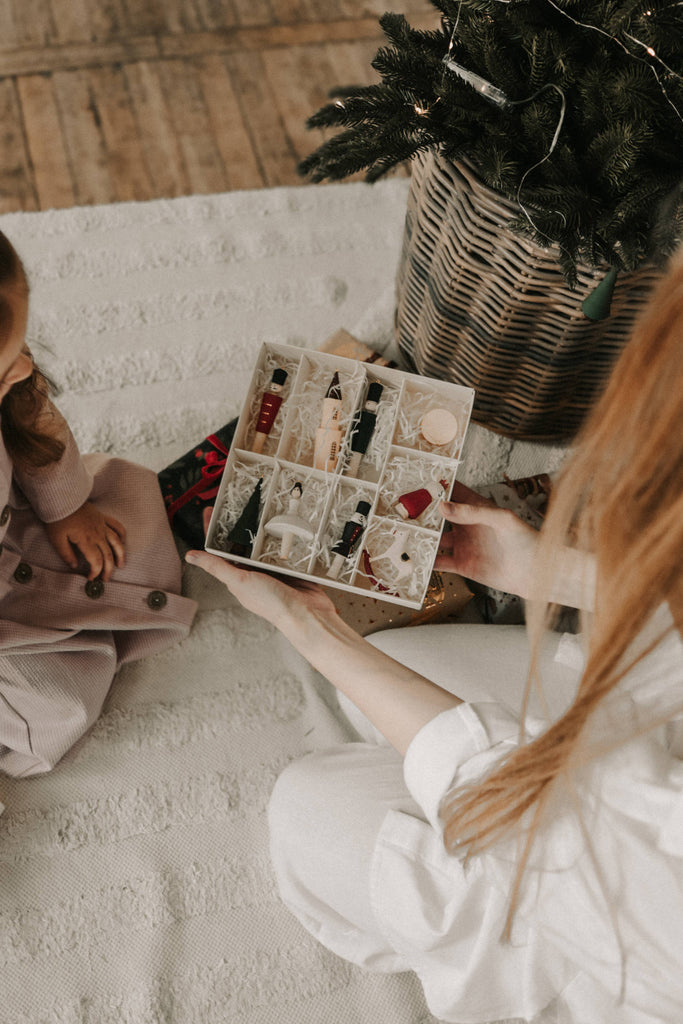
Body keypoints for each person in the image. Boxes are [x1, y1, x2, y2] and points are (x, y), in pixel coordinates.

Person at [185, 246, 683, 1024]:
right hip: (641, 751)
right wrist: (546, 572)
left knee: (305, 806)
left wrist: (320, 637)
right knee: (390, 669)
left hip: (607, 937)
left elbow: (522, 823)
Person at [0, 230, 196, 784]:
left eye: (18, 350)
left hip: (14, 525)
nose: (21, 370)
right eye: (3, 369)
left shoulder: (13, 376)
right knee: (60, 708)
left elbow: (34, 424)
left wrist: (64, 508)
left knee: (139, 519)